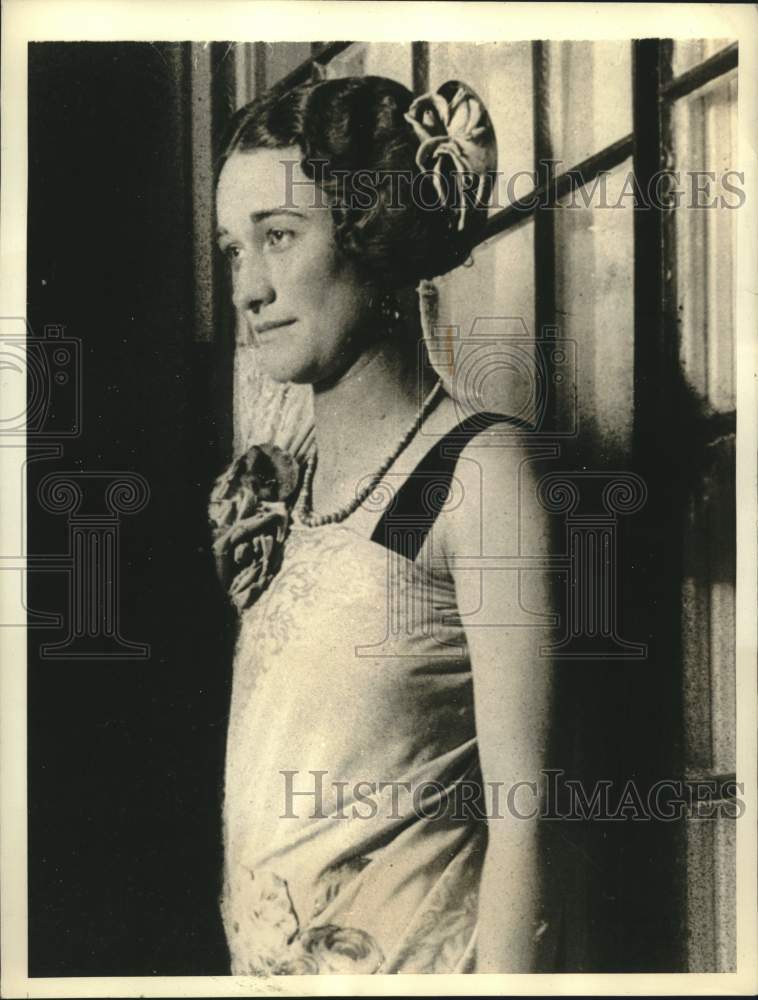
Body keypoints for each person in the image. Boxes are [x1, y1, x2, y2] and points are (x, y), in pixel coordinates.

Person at [209, 74, 560, 975]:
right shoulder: (295, 489)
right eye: (232, 251)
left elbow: (528, 827)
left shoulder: (468, 478)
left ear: (368, 234)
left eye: (279, 238)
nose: (249, 287)